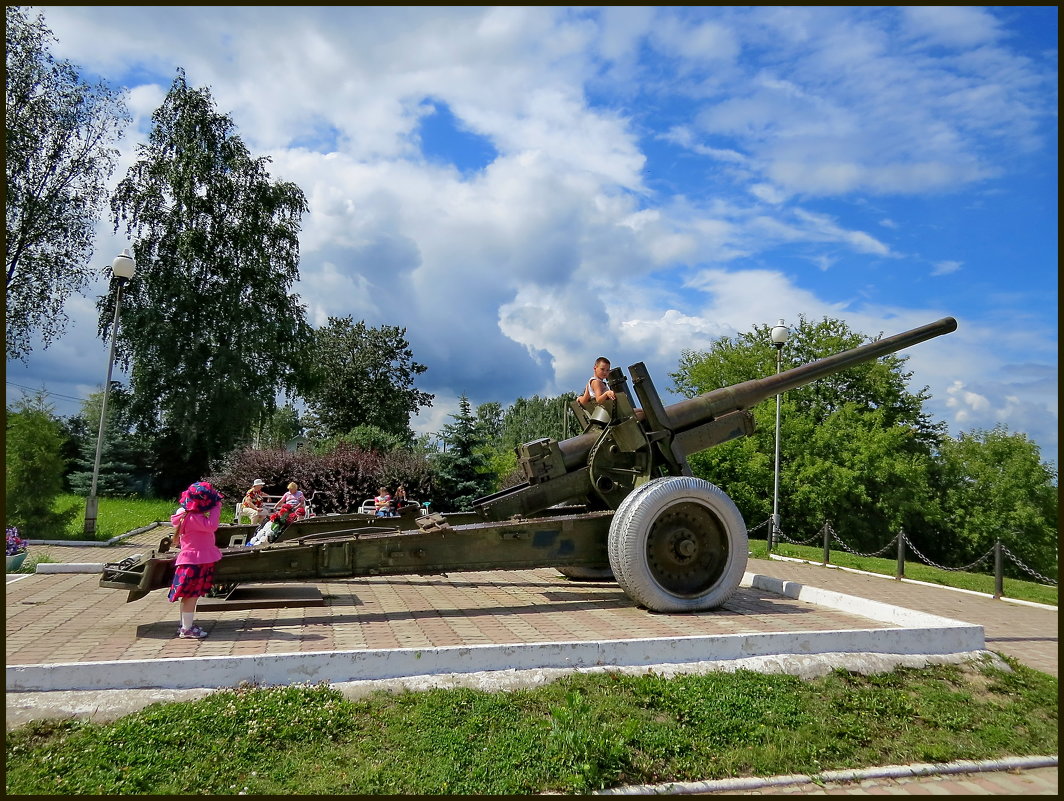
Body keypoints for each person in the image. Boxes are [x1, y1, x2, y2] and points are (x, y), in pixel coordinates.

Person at [169, 481, 225, 640]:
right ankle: (186, 629)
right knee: (191, 596)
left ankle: (185, 626)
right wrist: (216, 507)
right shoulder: (193, 518)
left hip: (192, 562)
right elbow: (212, 525)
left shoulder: (188, 516)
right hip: (194, 563)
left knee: (189, 596)